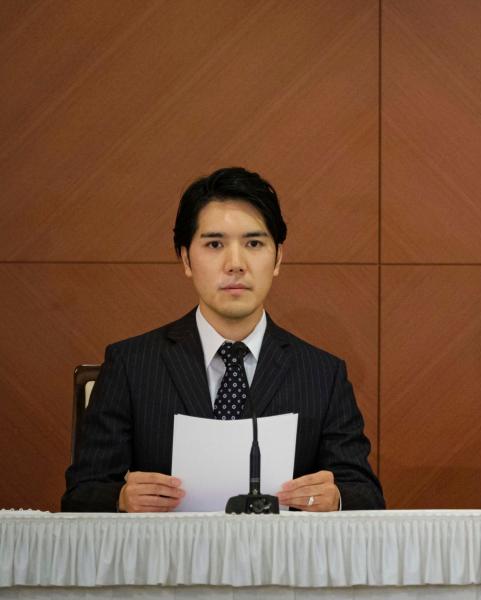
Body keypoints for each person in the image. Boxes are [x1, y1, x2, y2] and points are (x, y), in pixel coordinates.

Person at [62, 167, 384, 512]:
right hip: (169, 563)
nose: (235, 264)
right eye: (214, 244)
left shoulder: (322, 374)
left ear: (277, 258)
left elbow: (365, 494)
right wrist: (121, 498)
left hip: (278, 564)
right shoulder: (131, 364)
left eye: (254, 244)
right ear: (186, 258)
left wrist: (335, 497)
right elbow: (80, 494)